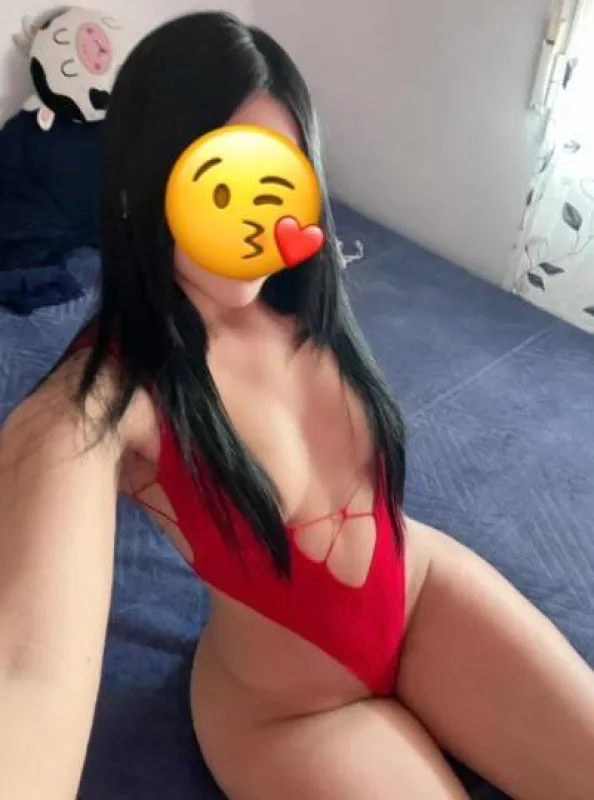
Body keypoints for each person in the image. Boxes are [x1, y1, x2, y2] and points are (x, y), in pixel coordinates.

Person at [1, 11, 593, 800]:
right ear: (145, 181)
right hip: (290, 715)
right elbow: (26, 671)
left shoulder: (303, 292)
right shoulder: (104, 399)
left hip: (421, 591)